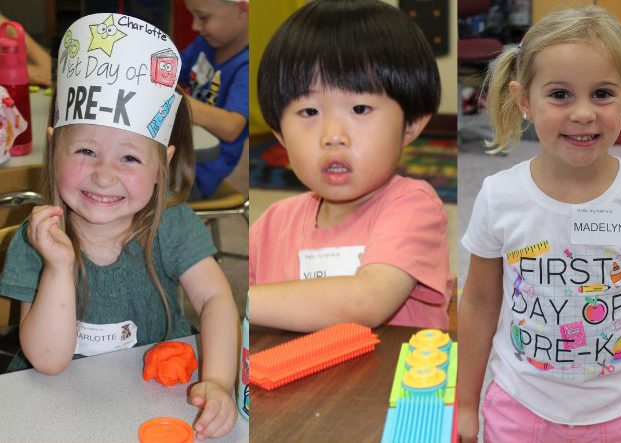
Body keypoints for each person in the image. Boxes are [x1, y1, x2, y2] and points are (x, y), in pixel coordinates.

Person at [458, 6, 621, 442]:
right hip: (517, 410)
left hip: (620, 417)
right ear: (524, 99)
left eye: (602, 94)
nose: (584, 113)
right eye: (561, 94)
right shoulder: (499, 197)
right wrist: (466, 404)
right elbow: (477, 304)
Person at [0, 14, 239, 438]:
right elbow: (50, 361)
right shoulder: (38, 239)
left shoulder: (171, 224)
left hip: (160, 396)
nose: (104, 175)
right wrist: (58, 266)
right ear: (54, 148)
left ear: (160, 165)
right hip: (58, 401)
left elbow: (217, 300)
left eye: (129, 158)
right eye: (86, 150)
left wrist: (220, 380)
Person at [249, 0, 450, 331]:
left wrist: (241, 302)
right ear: (280, 135)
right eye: (309, 112)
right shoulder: (271, 226)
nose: (333, 136)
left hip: (389, 381)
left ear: (411, 125)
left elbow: (366, 302)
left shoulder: (413, 206)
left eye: (359, 108)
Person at [180, 0, 249, 198]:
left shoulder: (246, 66)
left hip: (197, 172)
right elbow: (174, 71)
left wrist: (179, 102)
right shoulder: (205, 43)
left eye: (203, 17)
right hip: (182, 150)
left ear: (242, 10)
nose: (195, 26)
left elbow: (231, 127)